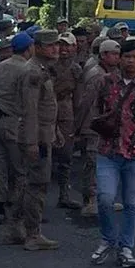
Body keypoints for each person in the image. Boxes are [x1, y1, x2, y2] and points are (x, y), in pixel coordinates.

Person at [91, 39, 135, 268]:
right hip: (108, 150)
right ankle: (108, 239)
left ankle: (126, 247)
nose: (130, 61)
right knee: (105, 198)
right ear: (119, 58)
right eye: (126, 56)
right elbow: (96, 110)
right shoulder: (105, 82)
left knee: (132, 203)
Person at [17, 29, 61, 252]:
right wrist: (33, 142)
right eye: (50, 45)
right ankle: (32, 234)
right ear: (38, 47)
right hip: (38, 138)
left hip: (44, 134)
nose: (56, 49)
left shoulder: (42, 69)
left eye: (57, 44)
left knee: (33, 182)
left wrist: (56, 132)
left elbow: (47, 106)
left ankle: (20, 228)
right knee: (37, 184)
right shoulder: (33, 72)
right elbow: (30, 110)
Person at [0, 32, 29, 232]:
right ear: (29, 49)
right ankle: (18, 210)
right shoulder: (26, 69)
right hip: (14, 122)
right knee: (20, 169)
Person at [72, 36, 118, 218]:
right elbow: (85, 102)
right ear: (104, 55)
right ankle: (89, 201)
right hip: (92, 125)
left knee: (105, 164)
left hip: (105, 125)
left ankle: (104, 199)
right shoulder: (97, 75)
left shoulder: (108, 72)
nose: (117, 58)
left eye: (118, 54)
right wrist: (77, 127)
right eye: (113, 54)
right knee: (92, 164)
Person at [51, 32, 82, 210]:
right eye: (60, 44)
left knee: (65, 156)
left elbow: (78, 97)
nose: (63, 48)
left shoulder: (76, 69)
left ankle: (64, 194)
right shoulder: (48, 67)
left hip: (66, 111)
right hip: (48, 111)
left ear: (74, 47)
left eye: (67, 45)